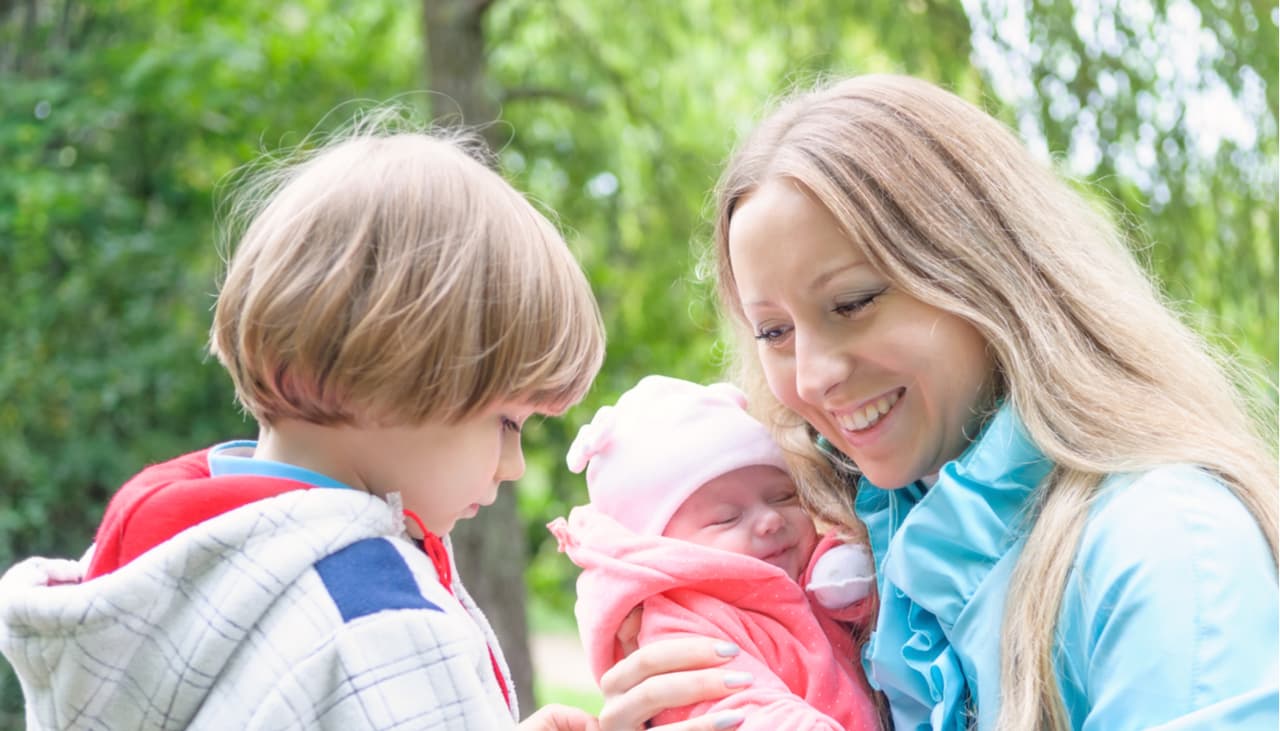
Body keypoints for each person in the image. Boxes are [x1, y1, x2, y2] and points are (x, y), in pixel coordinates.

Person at [597, 74, 1279, 731]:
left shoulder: (1161, 546)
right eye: (774, 331)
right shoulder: (853, 558)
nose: (813, 376)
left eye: (854, 302)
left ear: (984, 272)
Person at [0, 119, 608, 730]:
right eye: (506, 421)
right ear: (388, 369)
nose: (514, 466)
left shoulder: (170, 557)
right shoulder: (377, 619)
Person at [549, 375, 882, 730]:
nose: (769, 519)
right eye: (727, 518)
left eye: (783, 496)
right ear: (665, 551)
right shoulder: (682, 625)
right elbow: (740, 711)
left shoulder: (809, 580)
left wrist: (846, 578)